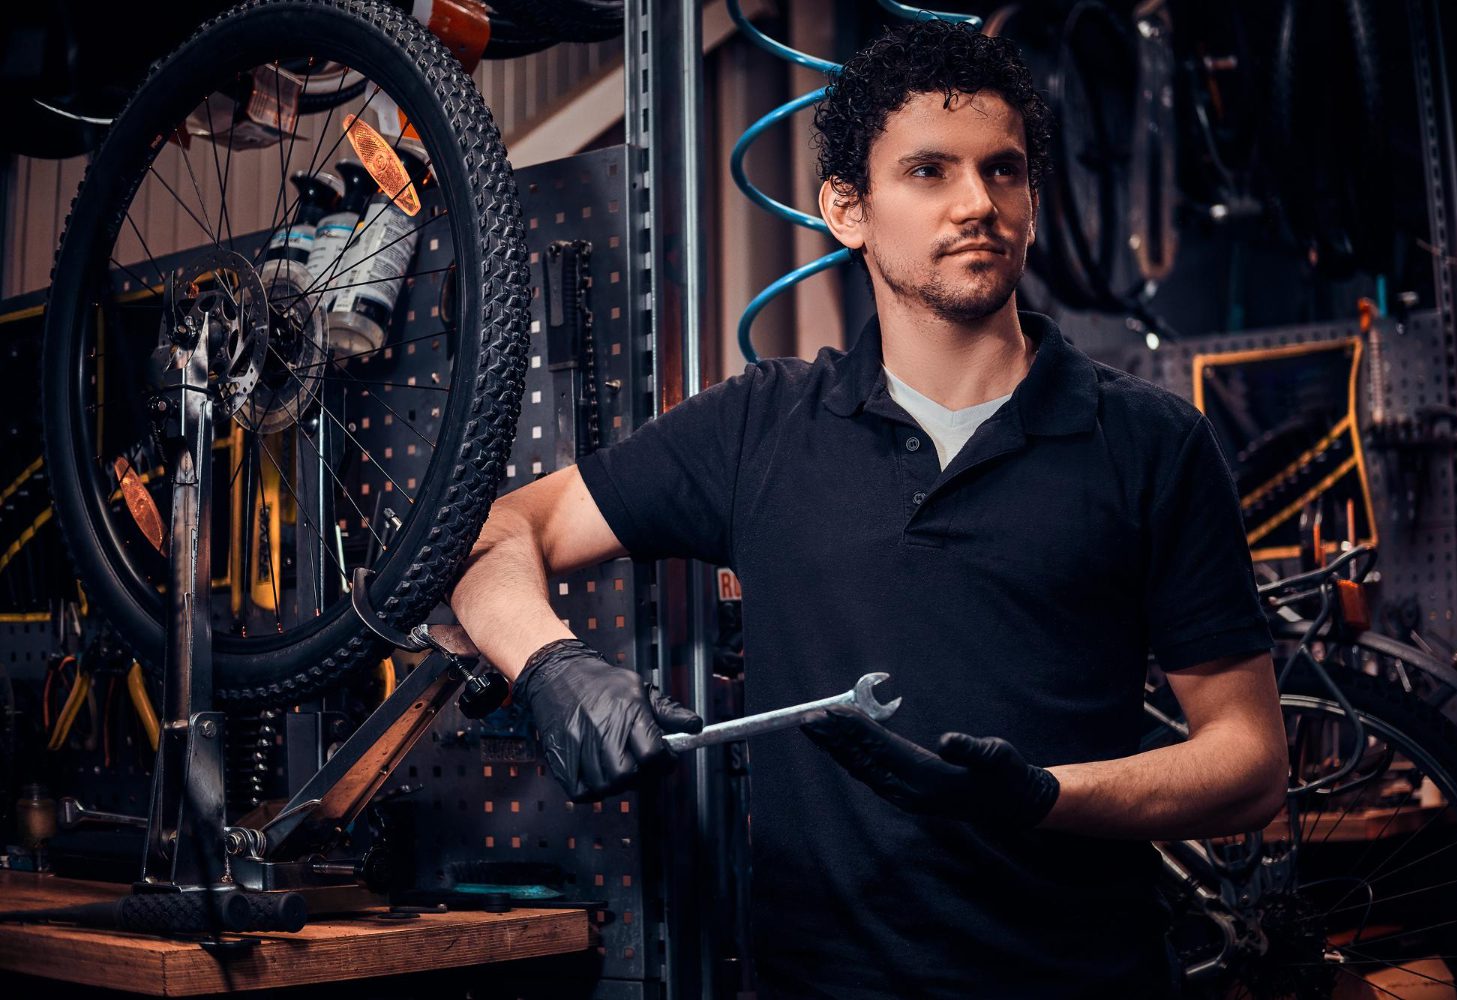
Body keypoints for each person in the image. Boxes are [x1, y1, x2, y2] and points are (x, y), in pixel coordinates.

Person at [451, 18, 1287, 999]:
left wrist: (1043, 799)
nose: (979, 202)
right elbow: (496, 532)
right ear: (846, 209)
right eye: (931, 171)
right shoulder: (758, 427)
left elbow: (1251, 762)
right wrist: (549, 667)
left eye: (1004, 170)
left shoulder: (1151, 444)